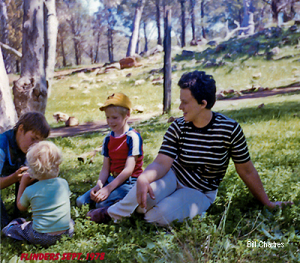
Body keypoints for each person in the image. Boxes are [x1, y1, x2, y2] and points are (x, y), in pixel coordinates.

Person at [88, 71, 291, 226]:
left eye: (185, 102)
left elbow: (246, 170)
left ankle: (183, 209)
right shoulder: (179, 126)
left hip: (200, 191)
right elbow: (161, 162)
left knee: (152, 217)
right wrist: (144, 178)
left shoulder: (229, 129)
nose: (180, 107)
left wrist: (267, 202)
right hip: (173, 176)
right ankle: (111, 213)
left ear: (203, 103)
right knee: (141, 196)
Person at [76, 92, 144, 215]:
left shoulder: (132, 137)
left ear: (127, 114)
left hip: (130, 181)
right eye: (107, 117)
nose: (110, 121)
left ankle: (125, 203)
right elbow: (105, 168)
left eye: (114, 118)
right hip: (112, 179)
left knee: (100, 204)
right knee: (81, 201)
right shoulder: (108, 138)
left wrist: (109, 188)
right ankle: (111, 203)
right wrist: (100, 185)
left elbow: (129, 170)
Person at [2, 141, 74, 246]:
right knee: (70, 221)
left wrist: (23, 183)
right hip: (66, 233)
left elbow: (20, 207)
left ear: (32, 170)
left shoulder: (31, 190)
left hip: (41, 237)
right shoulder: (63, 183)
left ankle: (12, 227)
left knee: (13, 230)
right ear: (58, 165)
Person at [0, 112, 50, 229]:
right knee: (3, 225)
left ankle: (34, 215)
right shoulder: (2, 146)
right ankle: (5, 224)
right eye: (33, 139)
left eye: (38, 142)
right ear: (21, 129)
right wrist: (14, 177)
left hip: (14, 174)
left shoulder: (27, 146)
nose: (35, 145)